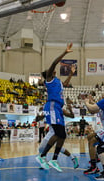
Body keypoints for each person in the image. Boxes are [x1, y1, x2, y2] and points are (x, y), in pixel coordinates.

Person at [35, 43, 74, 172]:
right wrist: (65, 52)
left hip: (57, 107)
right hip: (52, 106)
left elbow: (66, 84)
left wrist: (71, 74)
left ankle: (53, 159)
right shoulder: (49, 79)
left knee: (62, 135)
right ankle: (42, 156)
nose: (52, 70)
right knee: (59, 133)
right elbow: (54, 63)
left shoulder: (57, 82)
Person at [37, 104, 79, 170]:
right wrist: (38, 115)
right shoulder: (48, 110)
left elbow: (72, 116)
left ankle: (45, 162)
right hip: (51, 132)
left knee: (53, 148)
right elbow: (39, 118)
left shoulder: (61, 110)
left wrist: (70, 109)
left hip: (57, 131)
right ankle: (73, 157)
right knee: (43, 149)